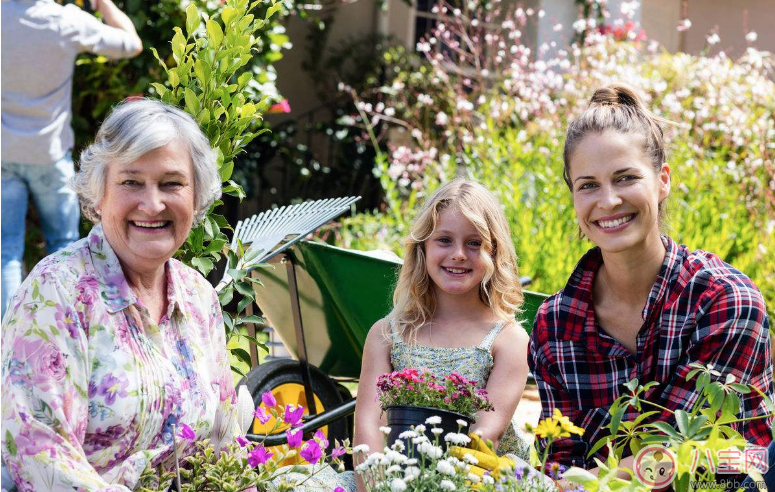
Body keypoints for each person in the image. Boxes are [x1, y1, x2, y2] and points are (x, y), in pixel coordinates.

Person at [529, 84, 773, 477]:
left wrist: (583, 483)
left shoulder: (727, 301)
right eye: (588, 184)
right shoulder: (554, 324)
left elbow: (684, 455)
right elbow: (558, 459)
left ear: (663, 181)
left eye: (625, 178)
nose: (607, 201)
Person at [1, 99, 242, 491]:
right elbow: (40, 454)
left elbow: (223, 440)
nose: (153, 204)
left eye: (172, 183)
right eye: (131, 182)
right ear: (99, 195)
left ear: (195, 196)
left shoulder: (198, 297)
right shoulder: (57, 293)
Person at [266, 179, 532, 492]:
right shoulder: (388, 334)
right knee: (291, 485)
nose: (459, 254)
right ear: (423, 248)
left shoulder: (507, 340)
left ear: (494, 252)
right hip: (390, 479)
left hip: (474, 479)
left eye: (474, 243)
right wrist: (377, 488)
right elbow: (368, 429)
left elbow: (484, 436)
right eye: (444, 240)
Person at [1, 0, 143, 319]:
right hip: (49, 155)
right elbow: (131, 44)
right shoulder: (65, 21)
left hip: (3, 153)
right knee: (63, 245)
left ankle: (7, 339)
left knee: (5, 251)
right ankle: (64, 328)